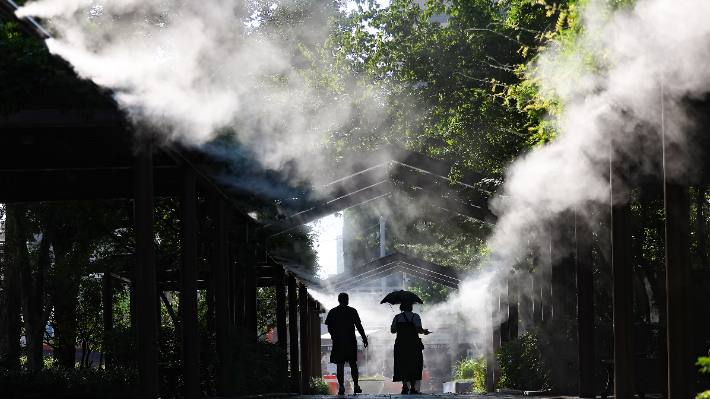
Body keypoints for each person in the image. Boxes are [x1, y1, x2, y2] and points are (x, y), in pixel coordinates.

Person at [325, 292, 369, 395]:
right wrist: (364, 337)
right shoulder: (352, 311)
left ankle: (341, 387)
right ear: (347, 300)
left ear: (338, 300)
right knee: (353, 363)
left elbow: (329, 326)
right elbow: (358, 325)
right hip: (350, 340)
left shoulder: (333, 312)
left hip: (338, 341)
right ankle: (356, 386)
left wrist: (333, 336)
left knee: (340, 365)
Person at [391, 301, 430, 394]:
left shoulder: (397, 317)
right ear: (411, 307)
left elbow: (393, 330)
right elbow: (418, 329)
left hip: (401, 345)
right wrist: (425, 331)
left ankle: (404, 386)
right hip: (414, 345)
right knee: (414, 364)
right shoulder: (416, 316)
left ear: (401, 307)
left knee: (402, 364)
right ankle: (412, 388)